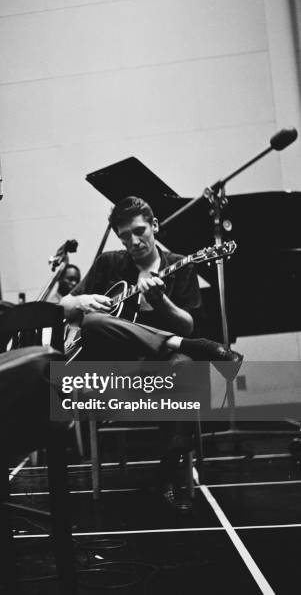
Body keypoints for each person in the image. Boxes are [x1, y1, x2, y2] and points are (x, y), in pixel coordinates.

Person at [60, 196, 242, 510]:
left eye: (139, 231)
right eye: (124, 236)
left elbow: (187, 322)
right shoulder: (109, 263)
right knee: (92, 321)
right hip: (113, 362)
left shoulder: (179, 264)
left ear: (155, 226)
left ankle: (167, 473)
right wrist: (82, 299)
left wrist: (162, 303)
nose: (133, 241)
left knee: (183, 368)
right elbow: (61, 308)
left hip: (156, 364)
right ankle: (188, 347)